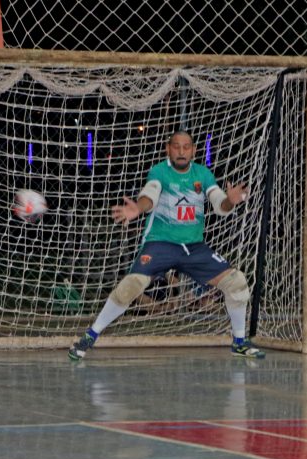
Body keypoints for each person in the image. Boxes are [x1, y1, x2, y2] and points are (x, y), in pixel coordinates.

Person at [68, 130, 265, 360]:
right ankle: (90, 336)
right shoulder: (159, 172)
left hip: (193, 247)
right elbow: (149, 196)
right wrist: (138, 209)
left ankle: (239, 342)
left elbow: (220, 205)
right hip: (160, 245)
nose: (181, 151)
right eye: (176, 146)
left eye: (186, 147)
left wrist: (230, 200)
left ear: (193, 151)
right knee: (131, 285)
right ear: (167, 149)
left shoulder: (203, 174)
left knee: (237, 282)